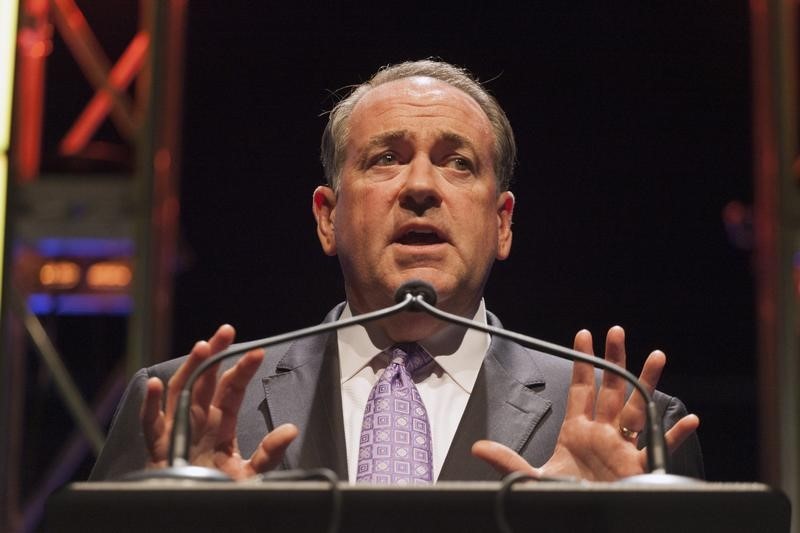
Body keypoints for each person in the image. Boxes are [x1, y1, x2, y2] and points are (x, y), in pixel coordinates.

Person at [90, 59, 703, 483]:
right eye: (386, 158)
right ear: (327, 218)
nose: (419, 187)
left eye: (457, 163)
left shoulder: (632, 427)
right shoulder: (178, 411)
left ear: (503, 222)